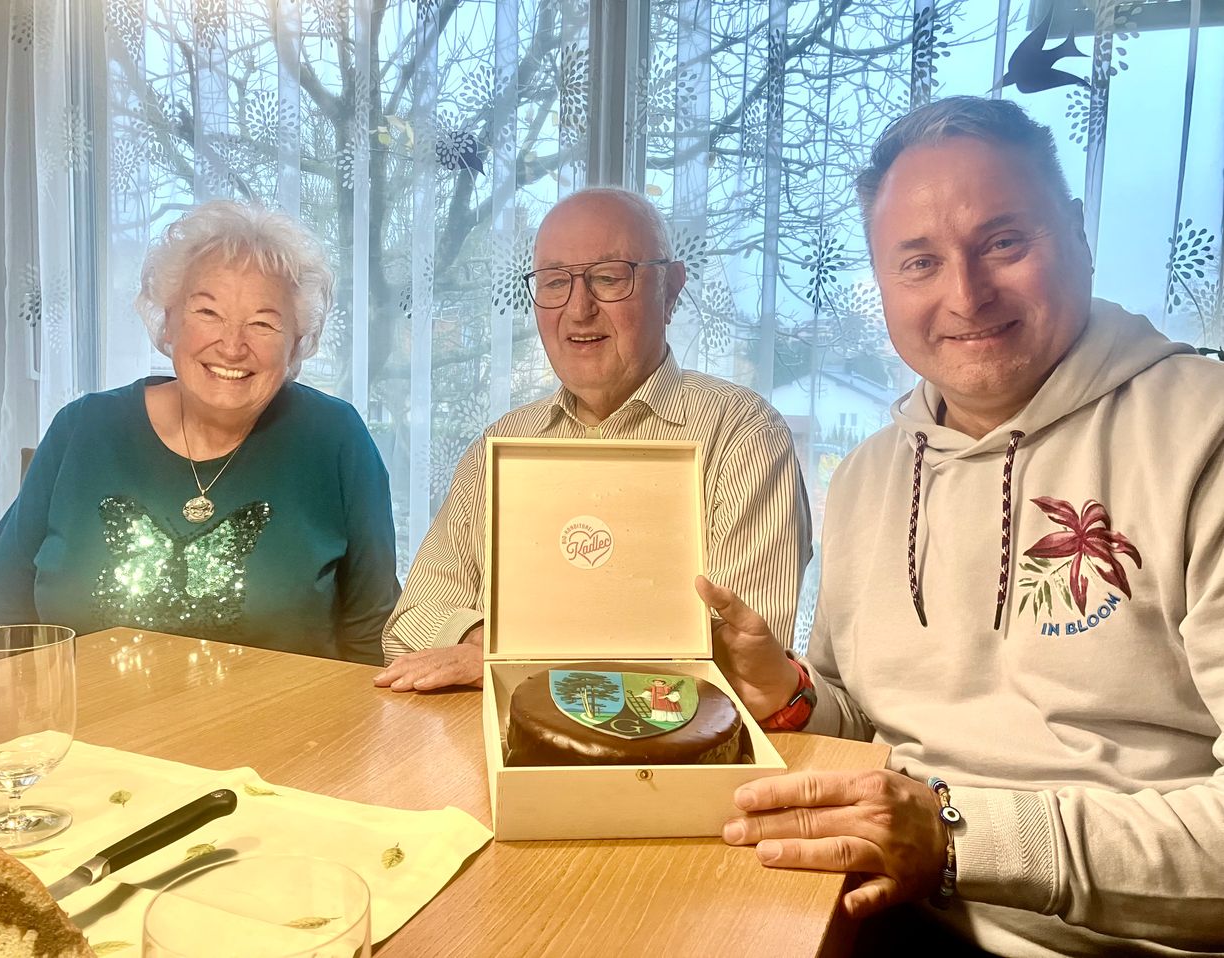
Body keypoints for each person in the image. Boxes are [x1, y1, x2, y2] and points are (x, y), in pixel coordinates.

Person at [702, 96, 1224, 955]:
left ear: (1079, 235)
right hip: (880, 917)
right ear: (881, 284)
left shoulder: (1202, 436)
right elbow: (864, 730)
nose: (966, 295)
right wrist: (789, 696)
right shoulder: (870, 475)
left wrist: (957, 840)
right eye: (918, 262)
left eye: (1004, 243)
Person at [377, 188, 810, 692]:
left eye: (609, 278)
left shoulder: (741, 435)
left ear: (670, 291)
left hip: (662, 756)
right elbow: (411, 622)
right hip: (489, 747)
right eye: (555, 282)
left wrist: (509, 662)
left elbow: (741, 662)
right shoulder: (501, 445)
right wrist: (484, 642)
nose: (579, 309)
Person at [0, 200, 401, 664]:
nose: (231, 345)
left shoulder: (335, 439)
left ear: (296, 346)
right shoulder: (83, 428)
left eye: (264, 323)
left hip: (277, 733)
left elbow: (372, 636)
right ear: (168, 322)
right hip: (81, 729)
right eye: (208, 313)